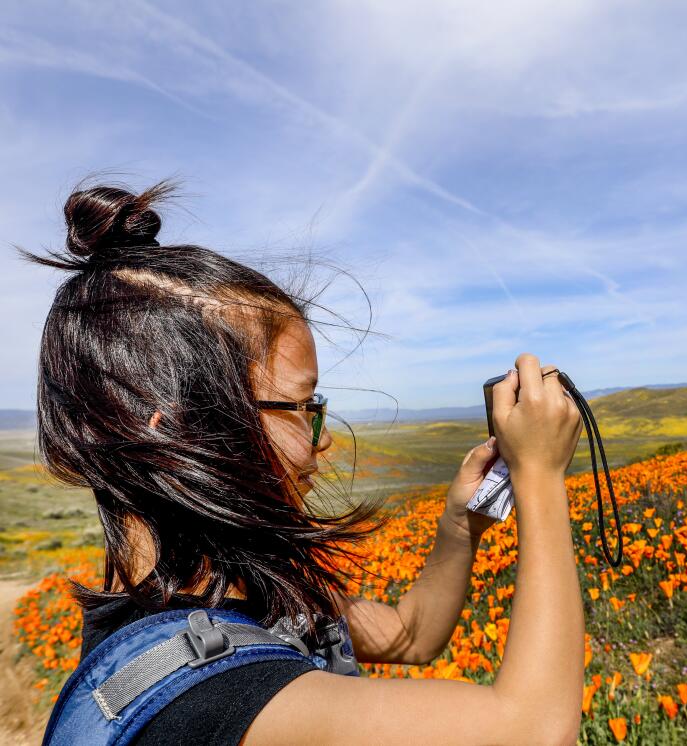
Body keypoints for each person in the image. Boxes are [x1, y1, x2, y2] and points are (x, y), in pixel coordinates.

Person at [24, 178, 586, 745]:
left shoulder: (237, 600)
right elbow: (535, 731)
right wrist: (541, 476)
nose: (323, 441)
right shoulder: (214, 703)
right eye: (303, 405)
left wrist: (461, 524)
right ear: (178, 428)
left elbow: (408, 636)